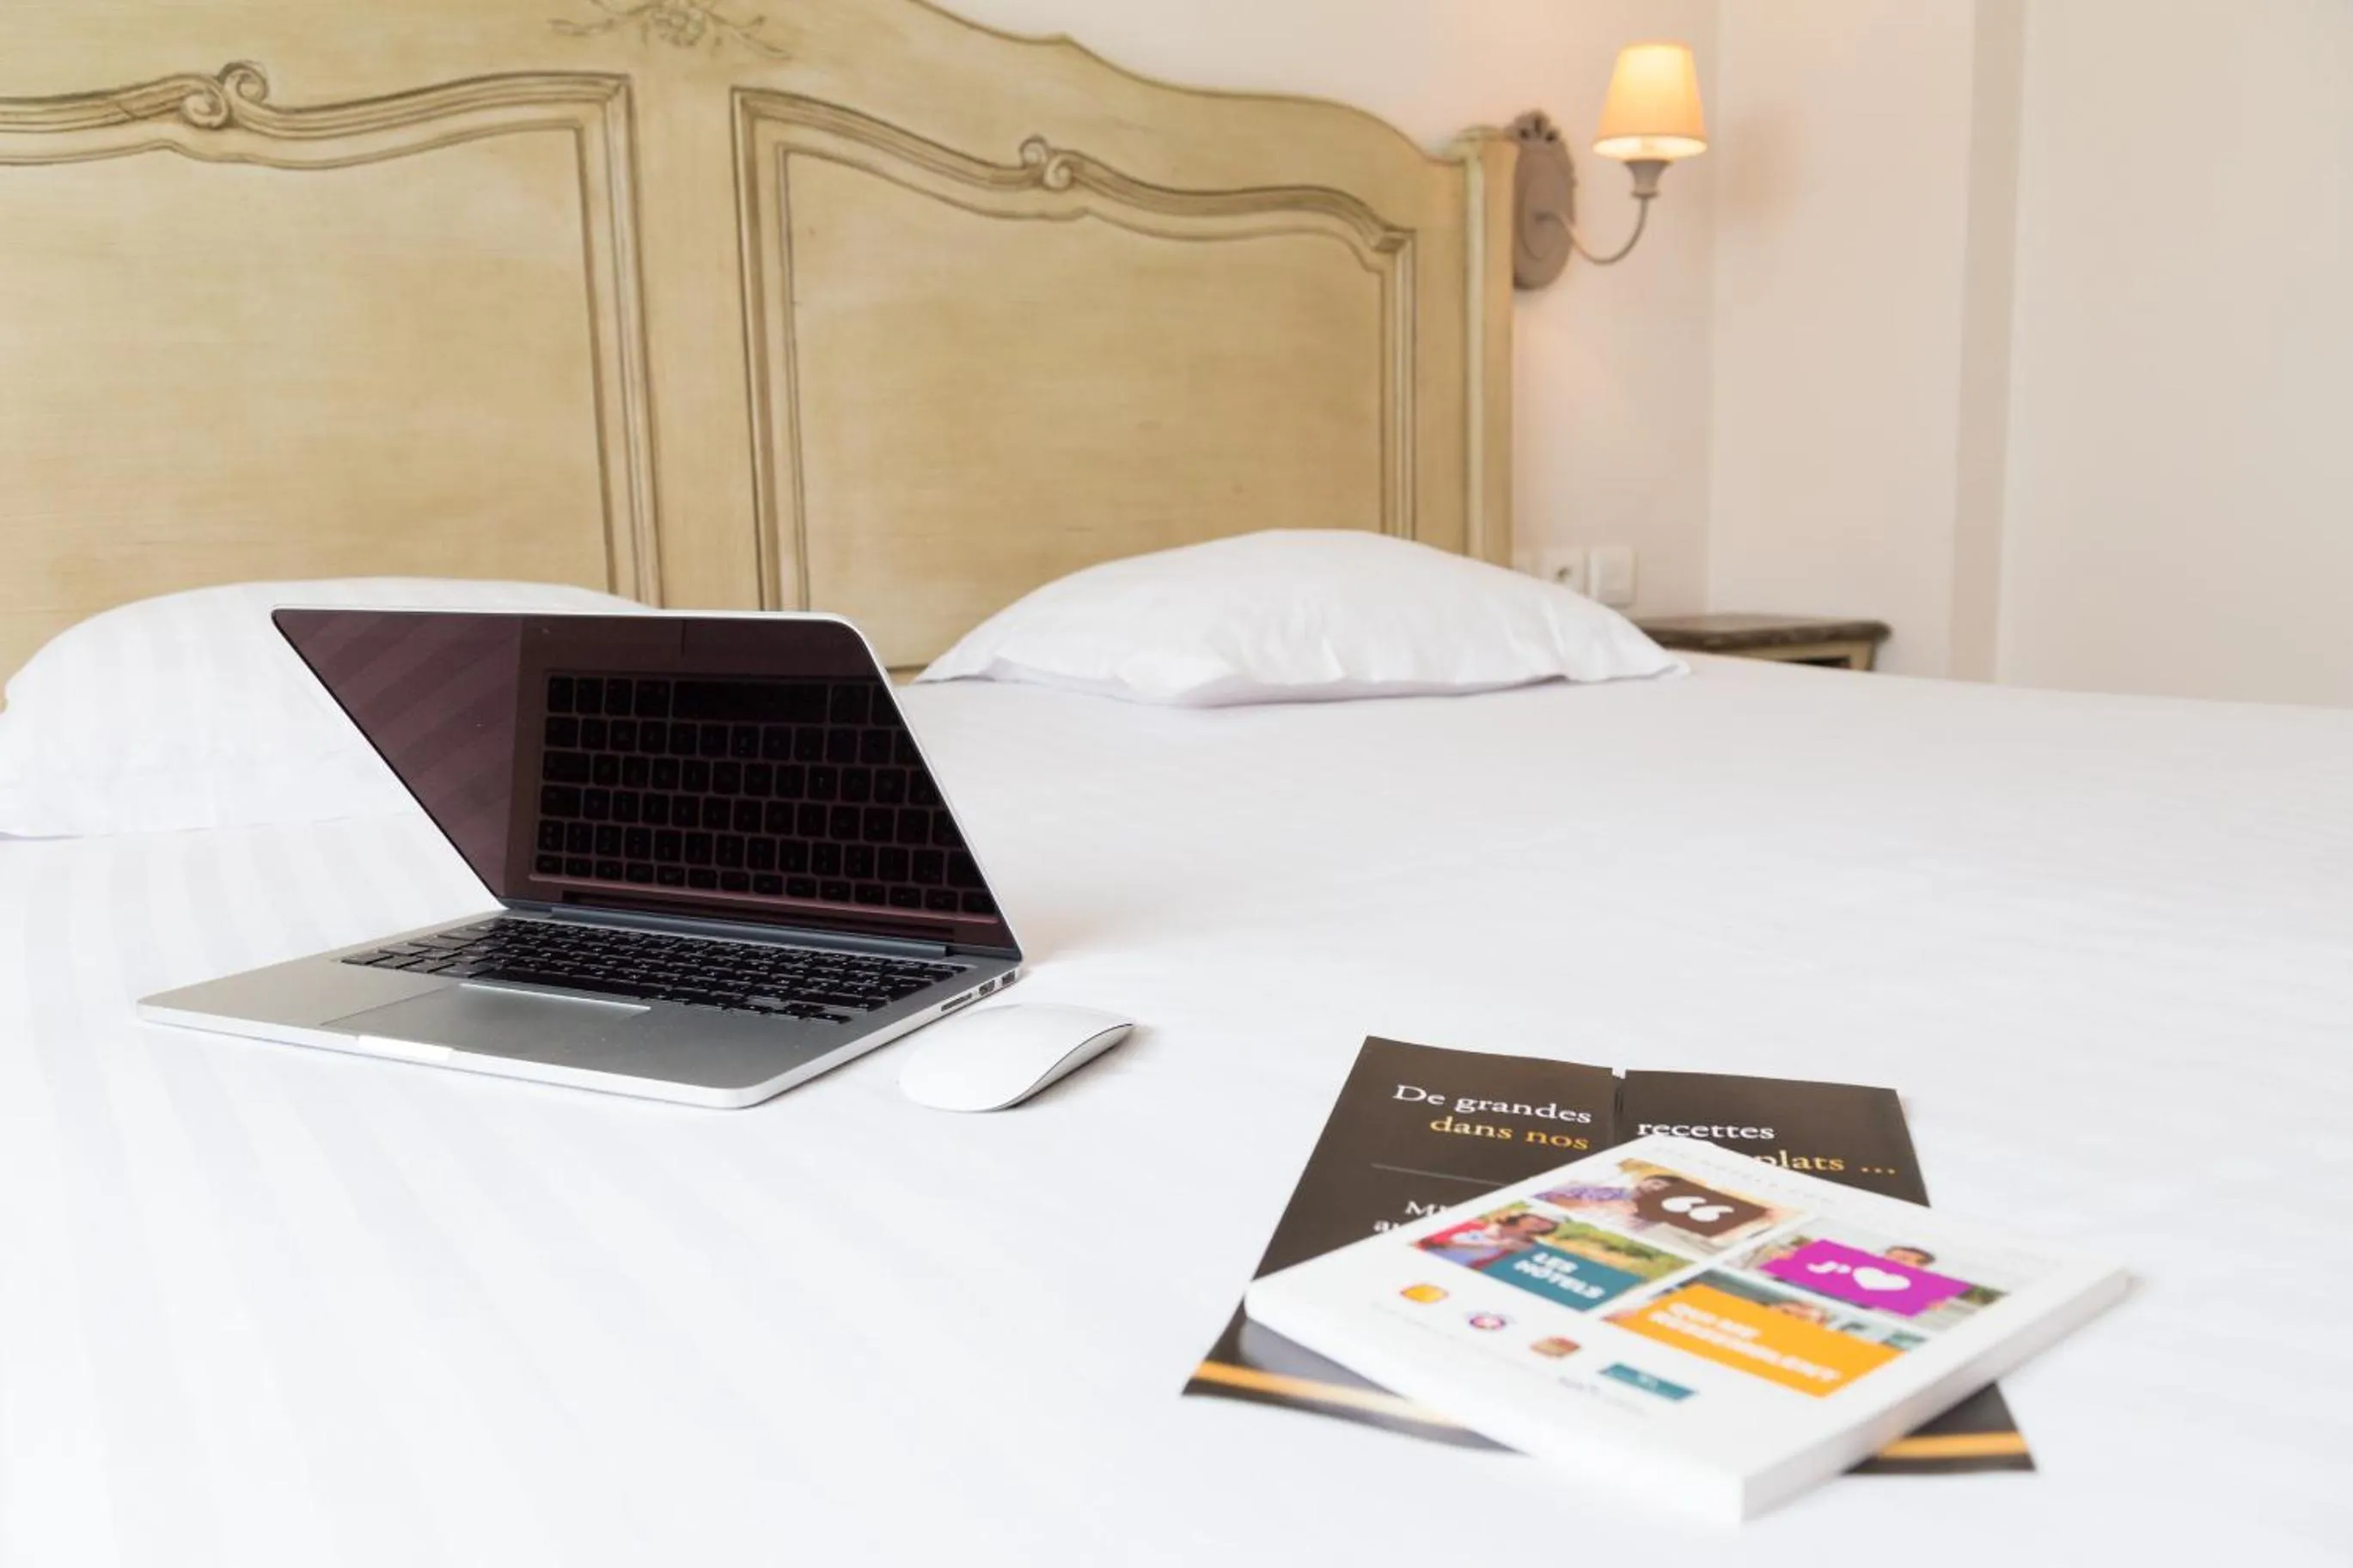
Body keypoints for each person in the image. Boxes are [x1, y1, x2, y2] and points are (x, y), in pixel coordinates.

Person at [1418, 1210, 1556, 1268]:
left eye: (1549, 1224)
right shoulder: (1470, 1225)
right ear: (1523, 1215)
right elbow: (1431, 1241)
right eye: (1540, 1218)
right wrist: (1496, 1244)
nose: (1542, 1224)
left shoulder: (1526, 1246)